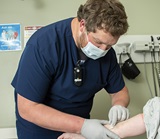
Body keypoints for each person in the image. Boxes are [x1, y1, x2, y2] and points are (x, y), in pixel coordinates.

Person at [11, 0, 130, 139]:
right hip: (39, 131)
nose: (103, 50)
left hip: (78, 132)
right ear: (83, 25)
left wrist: (119, 105)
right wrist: (82, 126)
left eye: (109, 46)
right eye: (98, 42)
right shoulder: (44, 45)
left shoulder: (107, 55)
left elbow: (120, 92)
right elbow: (27, 108)